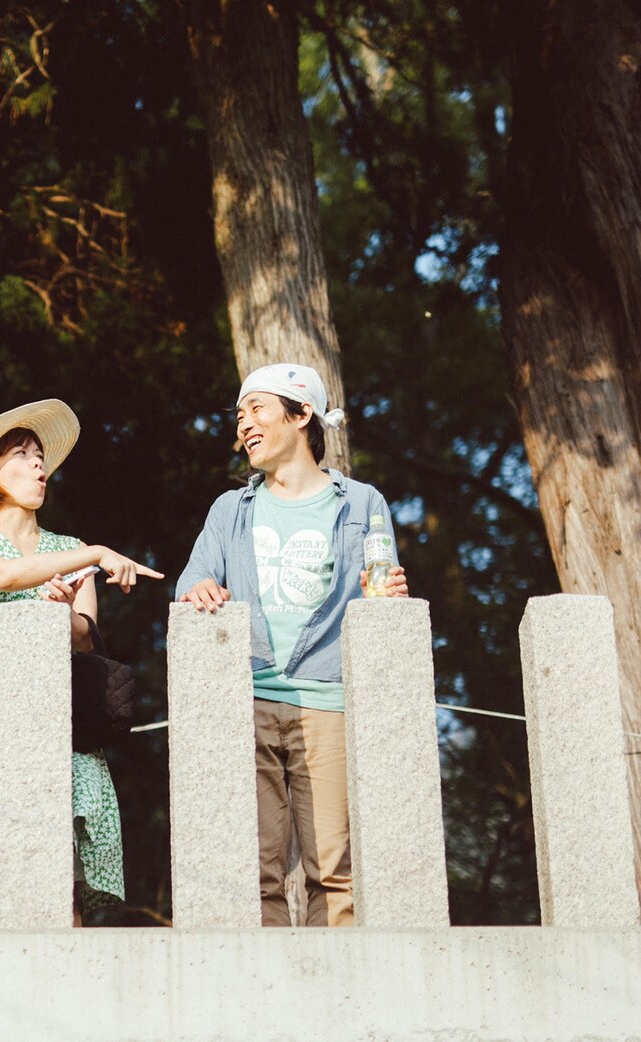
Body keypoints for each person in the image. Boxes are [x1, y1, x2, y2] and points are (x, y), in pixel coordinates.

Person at [174, 364, 408, 927]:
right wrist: (198, 587)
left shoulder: (362, 503)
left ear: (302, 414)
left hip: (329, 700)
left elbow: (380, 592)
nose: (244, 425)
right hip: (249, 701)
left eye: (257, 409)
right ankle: (270, 981)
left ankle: (335, 980)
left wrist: (390, 594)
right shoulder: (230, 509)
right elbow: (193, 578)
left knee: (336, 870)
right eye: (239, 415)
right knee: (256, 871)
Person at [0, 399, 164, 927]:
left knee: (56, 879)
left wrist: (60, 613)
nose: (37, 464)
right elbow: (4, 577)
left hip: (56, 714)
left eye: (39, 456)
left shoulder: (68, 547)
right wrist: (96, 553)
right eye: (21, 455)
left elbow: (86, 637)